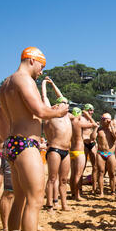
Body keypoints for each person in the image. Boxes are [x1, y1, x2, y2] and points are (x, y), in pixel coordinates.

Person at [0, 47, 69, 231]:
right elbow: (39, 111)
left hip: (12, 143)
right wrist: (60, 111)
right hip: (26, 143)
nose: (41, 71)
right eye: (41, 66)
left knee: (19, 201)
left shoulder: (6, 83)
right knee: (35, 201)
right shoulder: (23, 80)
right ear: (31, 60)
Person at [41, 77, 72, 212]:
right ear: (56, 106)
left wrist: (53, 83)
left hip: (66, 151)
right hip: (54, 149)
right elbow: (44, 97)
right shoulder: (51, 113)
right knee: (52, 178)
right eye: (63, 104)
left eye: (66, 104)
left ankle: (64, 204)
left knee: (64, 179)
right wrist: (43, 84)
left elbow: (61, 97)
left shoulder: (67, 116)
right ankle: (49, 205)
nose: (66, 105)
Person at [69, 107, 98, 201]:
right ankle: (77, 195)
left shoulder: (69, 123)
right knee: (78, 174)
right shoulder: (78, 123)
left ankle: (73, 193)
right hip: (79, 150)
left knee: (73, 174)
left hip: (72, 150)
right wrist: (88, 116)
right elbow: (94, 124)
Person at [95, 113, 116, 197]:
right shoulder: (99, 129)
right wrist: (95, 128)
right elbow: (92, 138)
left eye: (107, 119)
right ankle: (101, 192)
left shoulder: (112, 129)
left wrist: (111, 126)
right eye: (104, 119)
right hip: (100, 153)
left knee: (112, 173)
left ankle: (113, 191)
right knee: (101, 172)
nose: (106, 121)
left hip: (110, 153)